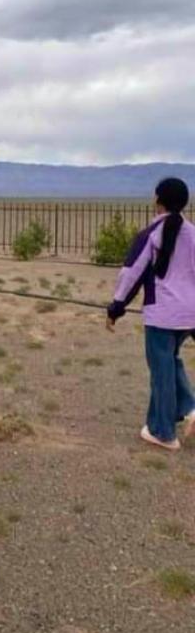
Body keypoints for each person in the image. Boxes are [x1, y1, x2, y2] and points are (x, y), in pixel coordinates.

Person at [106, 177, 195, 450]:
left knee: (161, 370)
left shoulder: (150, 234)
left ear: (158, 200)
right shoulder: (193, 233)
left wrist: (115, 309)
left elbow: (131, 274)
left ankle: (162, 432)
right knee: (170, 361)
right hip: (189, 315)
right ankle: (190, 409)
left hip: (161, 316)